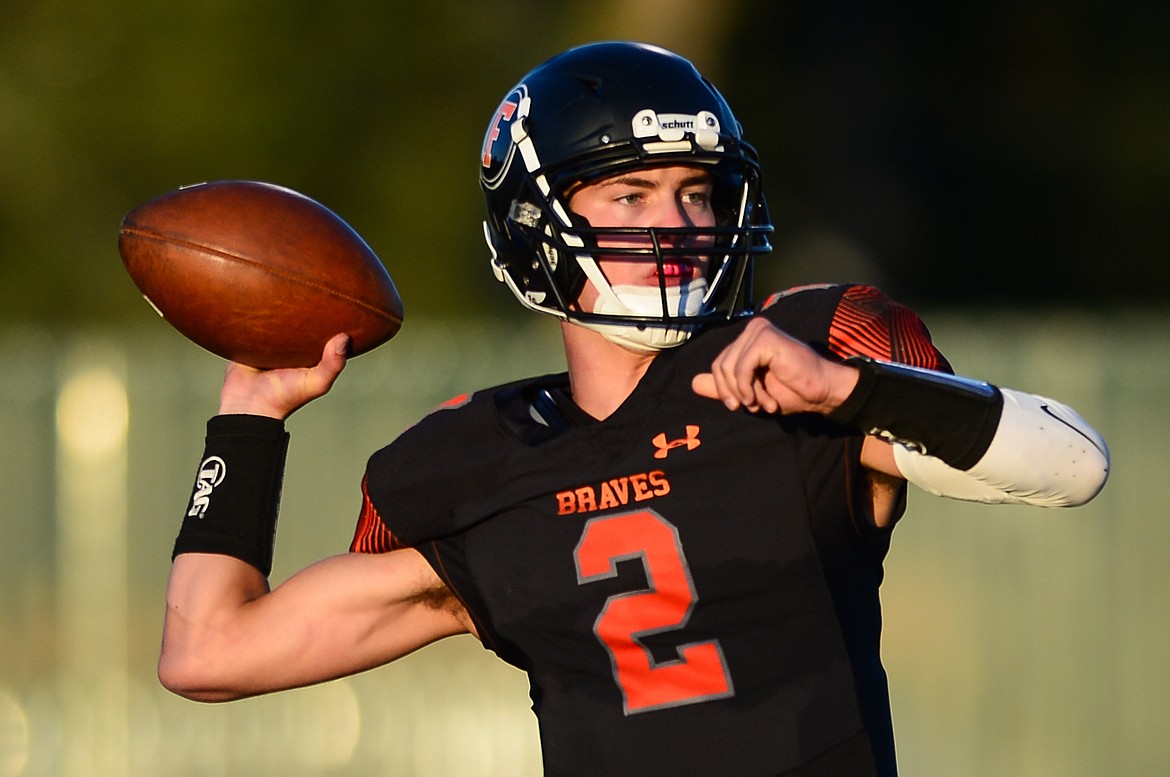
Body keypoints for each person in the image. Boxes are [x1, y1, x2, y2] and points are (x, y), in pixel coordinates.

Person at [157, 42, 1110, 777]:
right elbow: (207, 651)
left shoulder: (805, 358)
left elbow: (1073, 465)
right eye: (632, 192)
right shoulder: (469, 462)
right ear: (538, 225)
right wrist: (250, 416)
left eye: (699, 192)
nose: (681, 226)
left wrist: (846, 390)